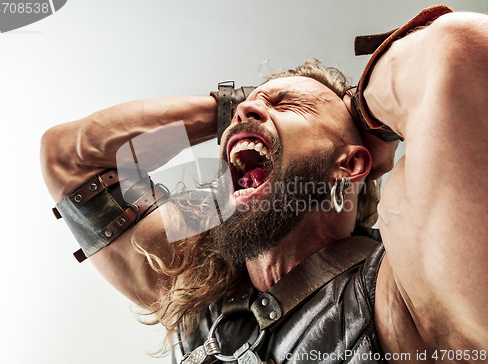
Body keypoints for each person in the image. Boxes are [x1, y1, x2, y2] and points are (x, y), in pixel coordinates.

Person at [41, 5, 488, 363]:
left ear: (350, 164)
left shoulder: (405, 293)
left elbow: (463, 48)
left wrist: (366, 109)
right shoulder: (197, 296)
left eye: (289, 104)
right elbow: (69, 159)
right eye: (243, 109)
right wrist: (229, 107)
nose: (243, 113)